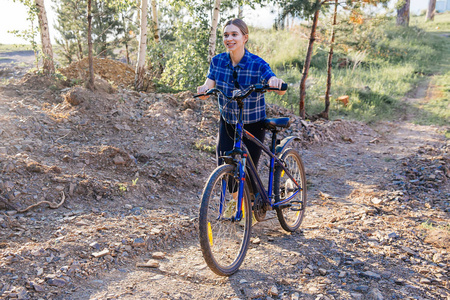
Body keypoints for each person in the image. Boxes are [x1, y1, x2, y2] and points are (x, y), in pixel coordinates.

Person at [197, 18, 286, 182]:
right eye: (225, 35)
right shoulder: (217, 62)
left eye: (234, 34)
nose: (229, 39)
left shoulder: (257, 64)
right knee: (225, 172)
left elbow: (274, 84)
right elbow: (207, 88)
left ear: (245, 38)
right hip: (228, 122)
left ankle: (251, 203)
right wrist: (203, 90)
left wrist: (275, 82)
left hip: (253, 124)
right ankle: (234, 206)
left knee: (249, 176)